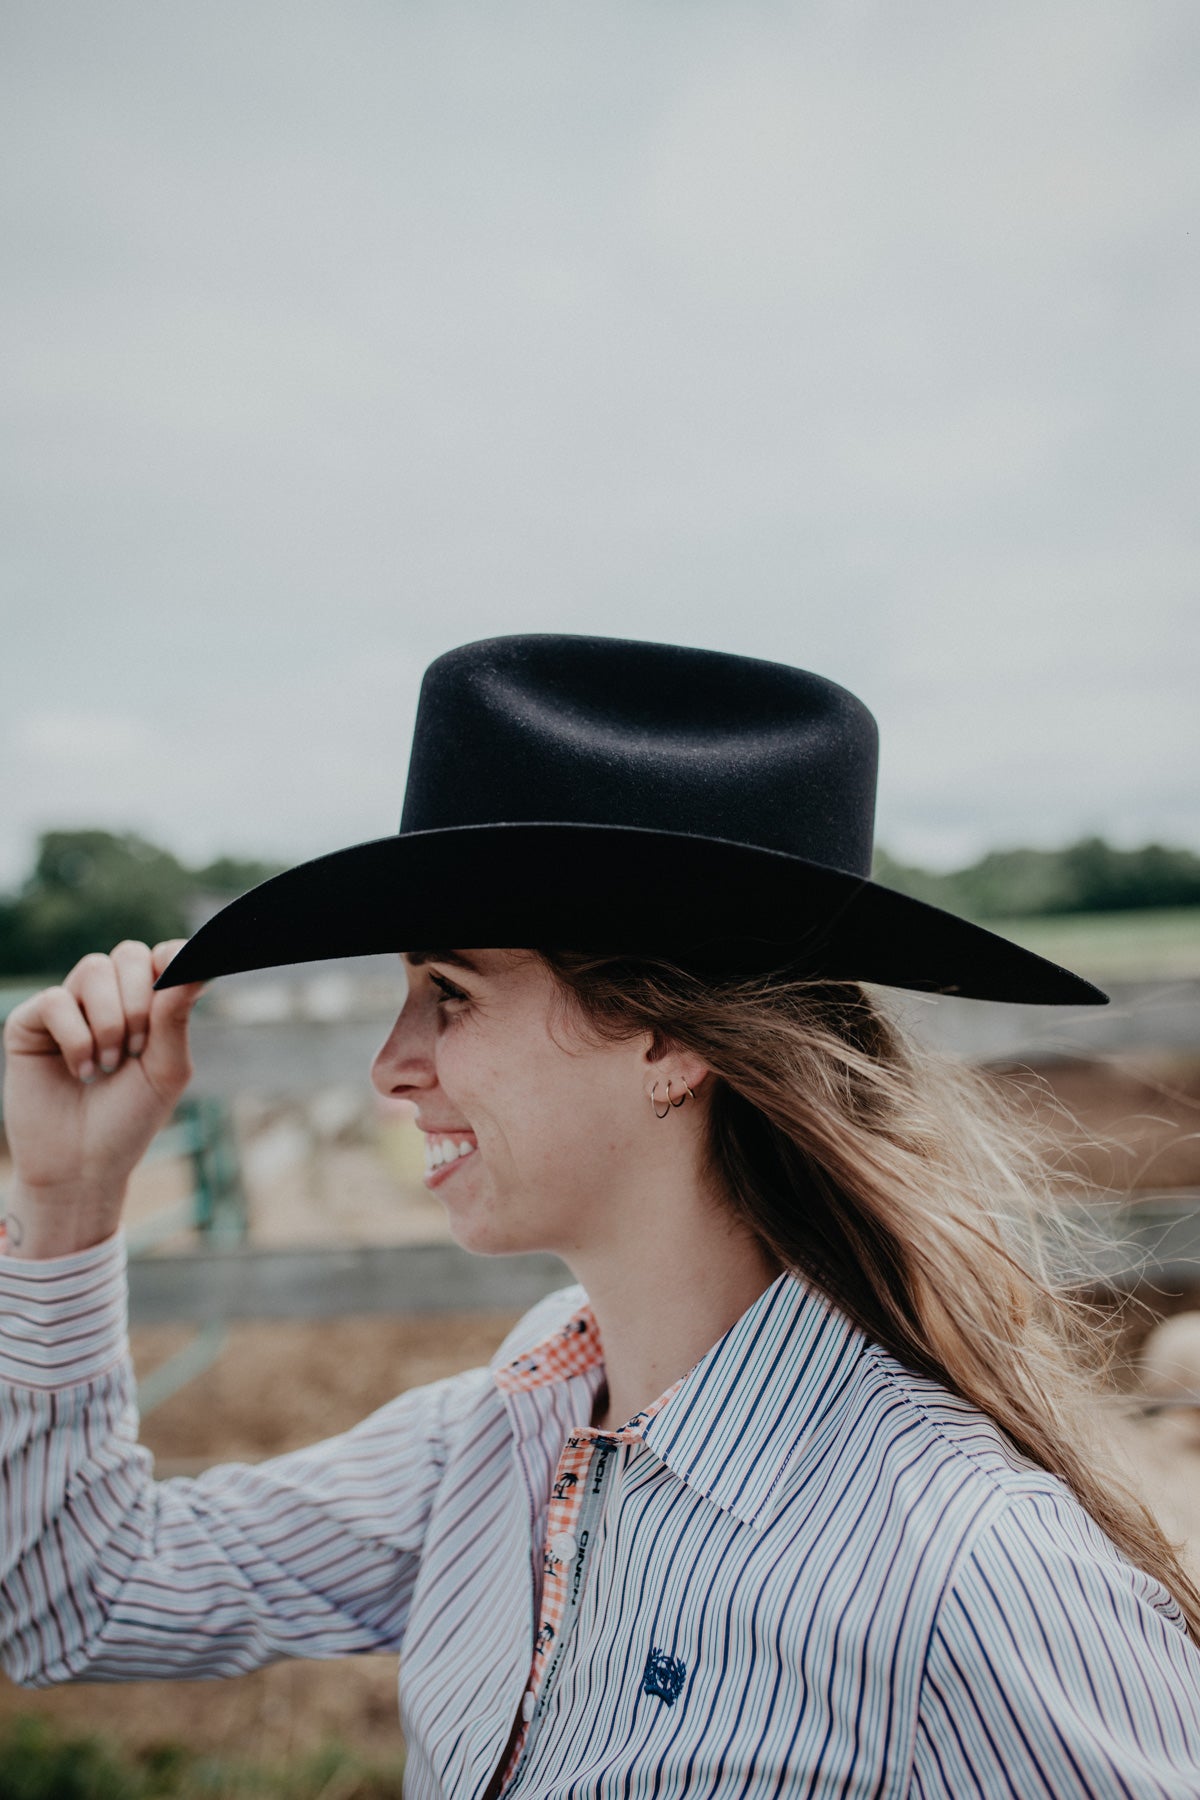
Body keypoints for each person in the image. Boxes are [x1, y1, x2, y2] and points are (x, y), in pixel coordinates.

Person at [3, 633, 1200, 1799]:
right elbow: (73, 1600)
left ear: (667, 1040)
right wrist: (67, 1199)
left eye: (448, 991)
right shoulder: (508, 1431)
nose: (392, 1066)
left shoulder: (970, 1575)